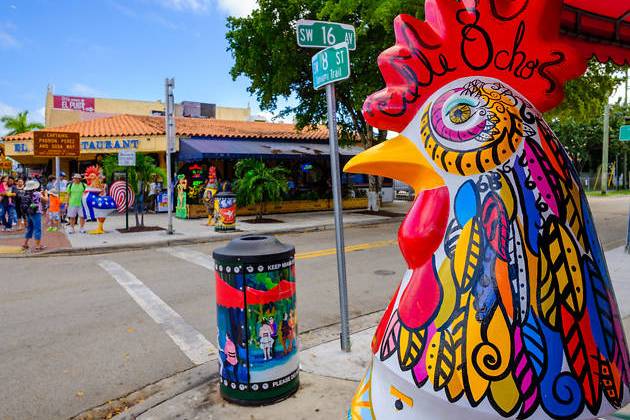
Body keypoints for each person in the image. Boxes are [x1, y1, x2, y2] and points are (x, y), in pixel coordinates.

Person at [21, 179, 47, 251]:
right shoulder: (37, 194)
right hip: (36, 213)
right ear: (34, 187)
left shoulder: (25, 194)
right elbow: (45, 200)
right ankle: (37, 246)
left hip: (29, 213)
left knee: (30, 228)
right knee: (37, 229)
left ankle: (25, 244)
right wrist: (46, 194)